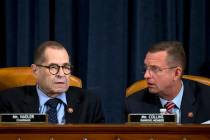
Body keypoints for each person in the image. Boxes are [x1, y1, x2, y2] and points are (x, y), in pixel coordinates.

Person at [0, 41, 105, 124]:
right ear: (35, 70)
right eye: (53, 67)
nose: (61, 74)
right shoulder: (9, 101)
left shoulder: (90, 102)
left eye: (65, 67)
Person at [125, 41, 210, 124]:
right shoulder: (134, 104)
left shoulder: (206, 98)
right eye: (146, 68)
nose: (146, 75)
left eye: (155, 69)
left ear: (176, 73)